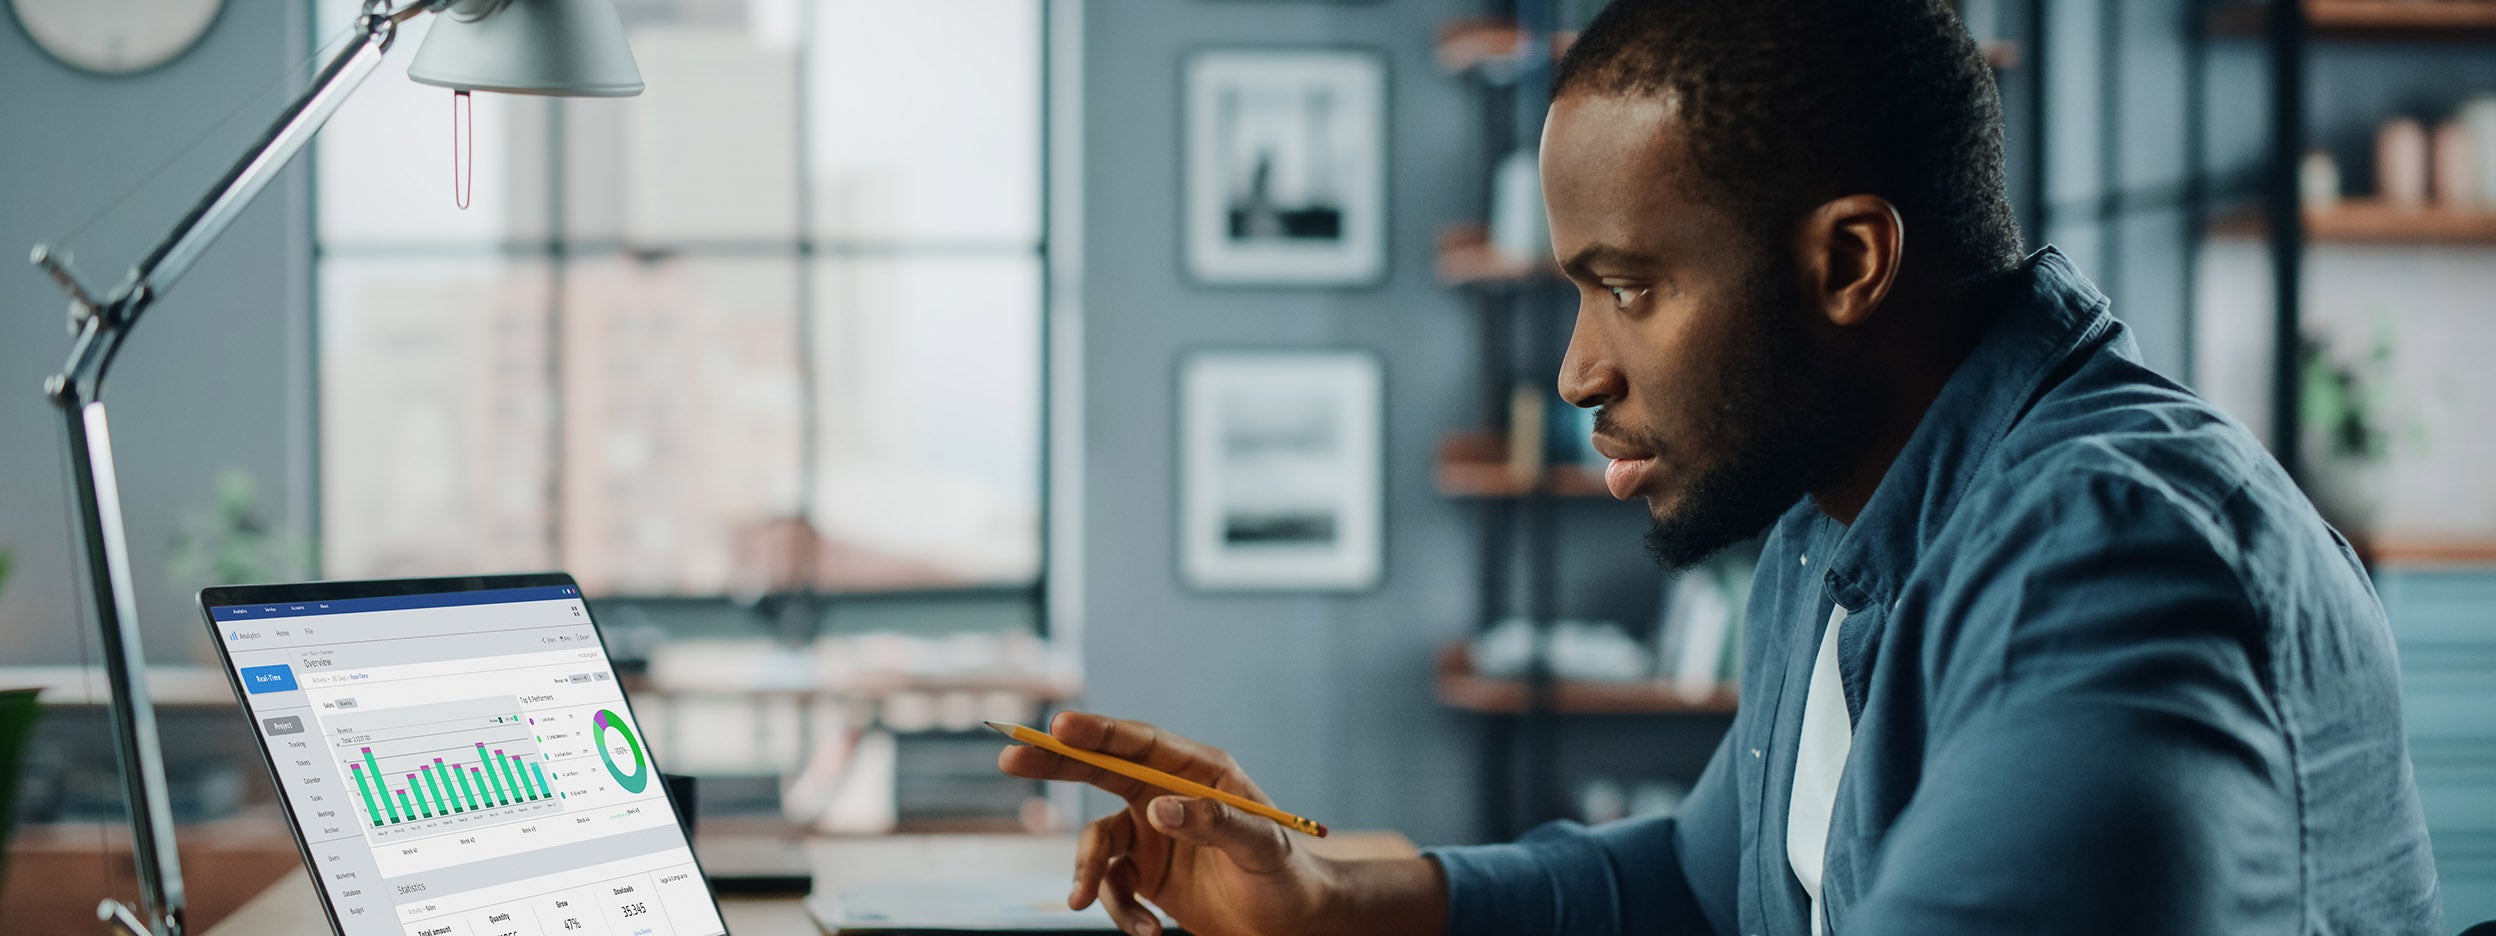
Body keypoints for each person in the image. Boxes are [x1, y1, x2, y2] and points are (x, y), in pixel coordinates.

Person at [999, 0, 2444, 932]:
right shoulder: (1837, 512)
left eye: (1628, 286)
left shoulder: (2115, 556)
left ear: (1849, 262)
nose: (1576, 372)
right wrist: (1322, 894)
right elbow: (1708, 883)